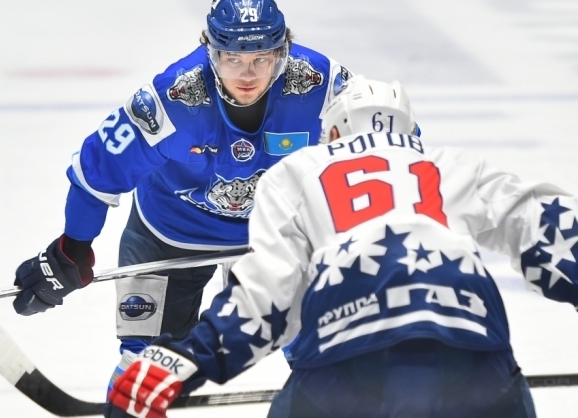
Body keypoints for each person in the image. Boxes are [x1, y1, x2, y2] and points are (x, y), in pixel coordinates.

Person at [102, 73, 571, 418]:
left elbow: (265, 301)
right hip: (473, 360)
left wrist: (181, 359)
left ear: (332, 133)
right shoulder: (451, 164)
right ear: (409, 131)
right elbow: (552, 230)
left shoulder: (297, 172)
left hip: (346, 373)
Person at [10, 0, 353, 397]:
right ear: (211, 52)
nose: (247, 74)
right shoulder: (173, 97)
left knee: (333, 345)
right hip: (169, 234)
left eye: (261, 58)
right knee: (144, 367)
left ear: (283, 53)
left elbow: (391, 144)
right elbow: (98, 168)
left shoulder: (322, 84)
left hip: (277, 234)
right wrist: (72, 248)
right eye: (233, 58)